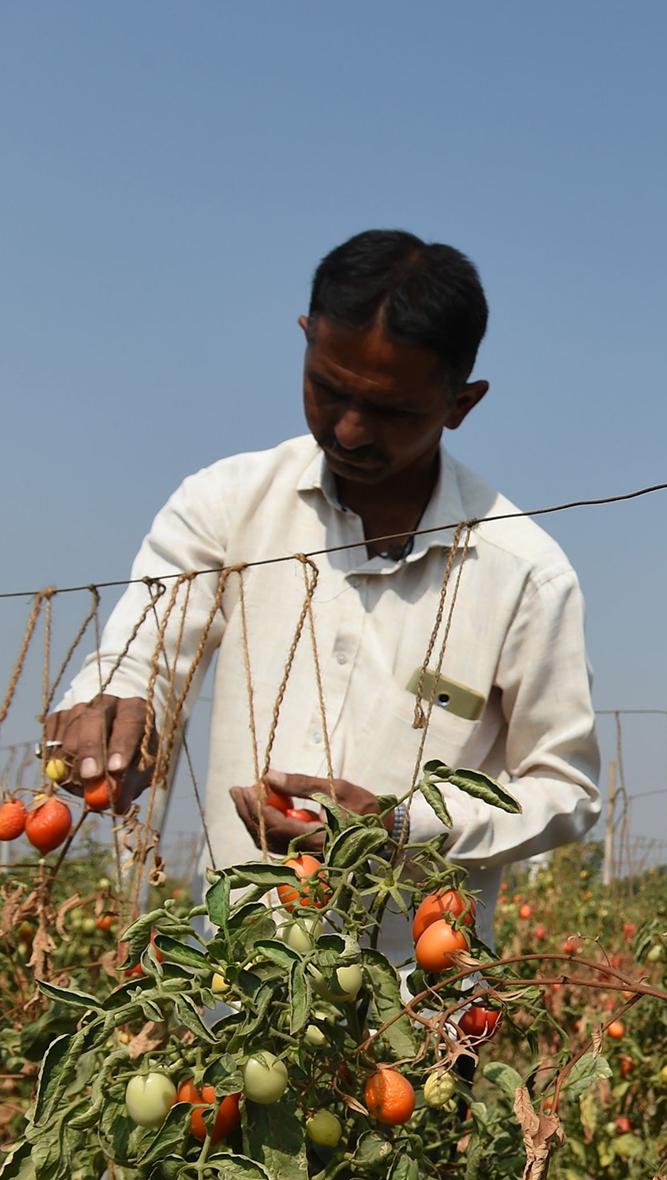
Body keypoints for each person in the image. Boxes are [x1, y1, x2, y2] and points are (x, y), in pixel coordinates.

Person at [43, 229, 600, 953]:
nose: (349, 429)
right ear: (306, 339)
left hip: (412, 1006)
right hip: (230, 981)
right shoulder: (228, 504)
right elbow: (146, 648)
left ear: (462, 402)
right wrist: (115, 711)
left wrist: (400, 827)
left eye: (392, 411)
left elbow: (566, 790)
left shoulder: (522, 571)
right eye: (327, 388)